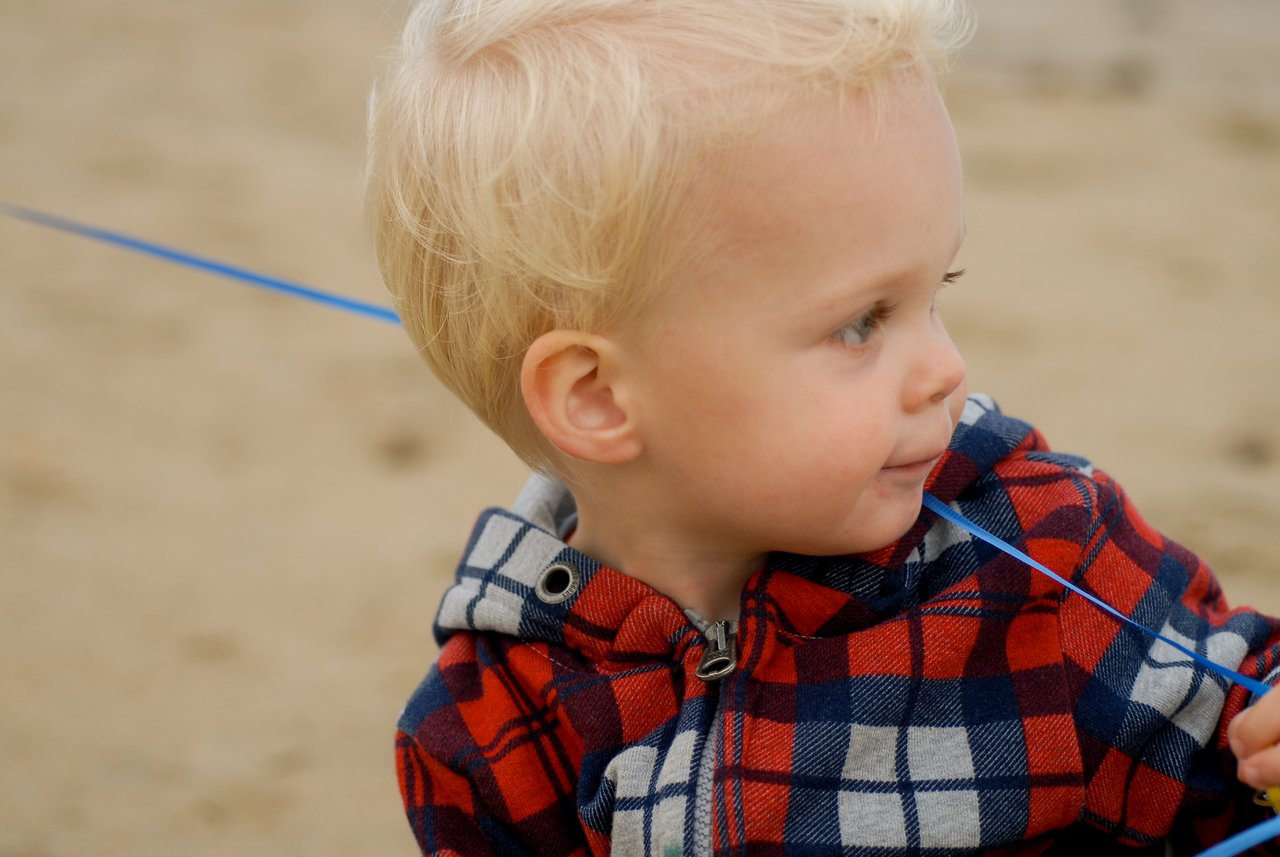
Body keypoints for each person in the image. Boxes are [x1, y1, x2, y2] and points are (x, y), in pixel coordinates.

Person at [365, 0, 1280, 852]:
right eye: (860, 322)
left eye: (937, 292)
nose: (948, 369)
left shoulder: (1037, 552)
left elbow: (1240, 728)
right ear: (598, 397)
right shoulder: (488, 726)